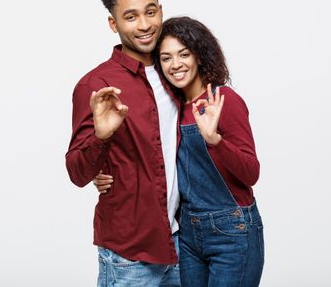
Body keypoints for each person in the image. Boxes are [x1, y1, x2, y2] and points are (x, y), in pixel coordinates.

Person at [95, 17, 265, 286]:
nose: (176, 64)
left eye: (184, 54)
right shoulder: (172, 106)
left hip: (232, 232)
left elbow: (251, 172)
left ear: (199, 55)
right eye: (166, 58)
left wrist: (214, 140)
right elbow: (154, 157)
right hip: (188, 233)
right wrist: (106, 172)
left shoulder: (223, 101)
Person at [65, 0, 181, 286]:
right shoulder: (96, 85)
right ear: (113, 24)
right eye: (131, 17)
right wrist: (101, 138)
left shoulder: (177, 72)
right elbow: (77, 171)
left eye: (150, 12)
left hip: (181, 245)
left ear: (161, 11)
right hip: (129, 257)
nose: (144, 25)